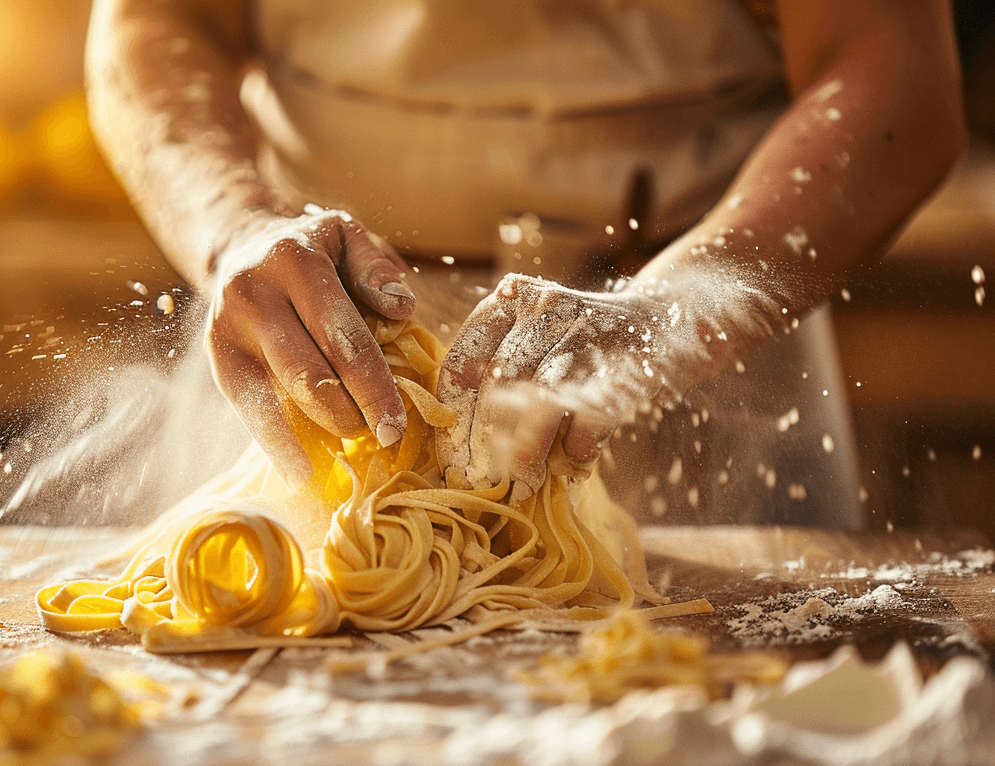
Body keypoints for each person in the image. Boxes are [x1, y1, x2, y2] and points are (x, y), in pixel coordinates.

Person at [84, 0, 966, 522]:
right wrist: (235, 227)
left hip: (700, 332)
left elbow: (890, 62)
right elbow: (156, 20)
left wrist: (684, 306)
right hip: (315, 327)